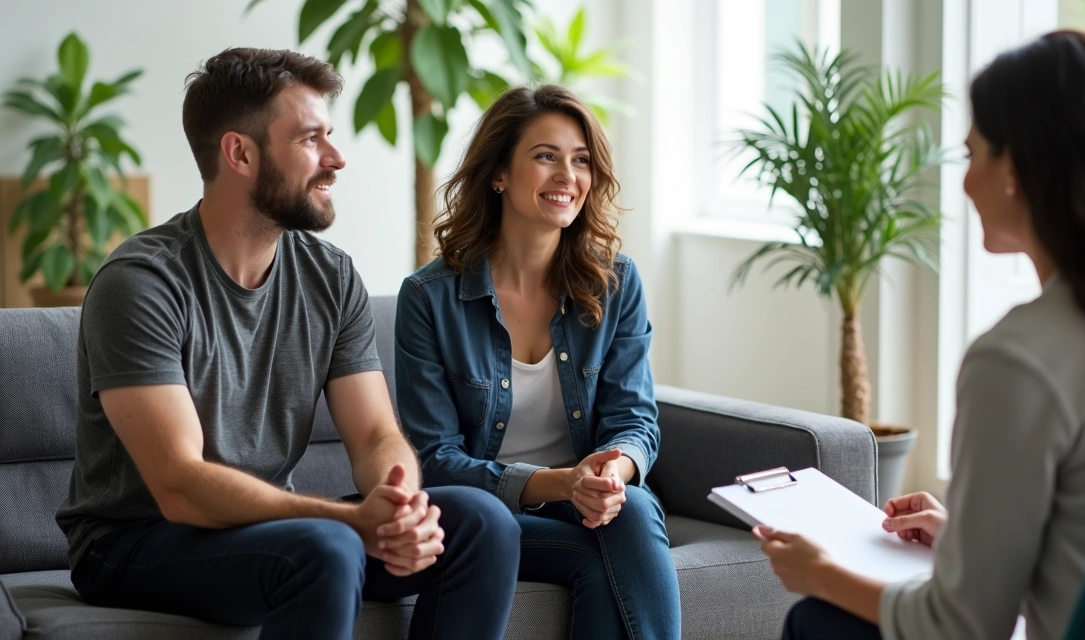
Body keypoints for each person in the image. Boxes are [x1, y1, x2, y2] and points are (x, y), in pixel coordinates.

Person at [758, 29, 1085, 640]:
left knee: (819, 621)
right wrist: (970, 537)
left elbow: (964, 626)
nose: (965, 182)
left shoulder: (1020, 359)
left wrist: (821, 572)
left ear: (1018, 171)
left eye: (974, 156)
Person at [55, 48, 520, 640]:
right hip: (133, 540)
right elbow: (179, 484)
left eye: (330, 135)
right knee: (326, 546)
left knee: (483, 521)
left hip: (265, 527)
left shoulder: (330, 275)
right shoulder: (141, 283)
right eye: (309, 140)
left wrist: (398, 504)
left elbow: (377, 434)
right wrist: (351, 520)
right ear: (240, 153)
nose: (336, 158)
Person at [395, 84, 681, 639]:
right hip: (487, 517)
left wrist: (608, 477)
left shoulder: (616, 284)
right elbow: (436, 459)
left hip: (589, 504)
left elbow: (635, 420)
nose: (567, 177)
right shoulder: (429, 298)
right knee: (603, 554)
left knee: (636, 510)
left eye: (581, 161)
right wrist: (563, 483)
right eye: (546, 156)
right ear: (499, 173)